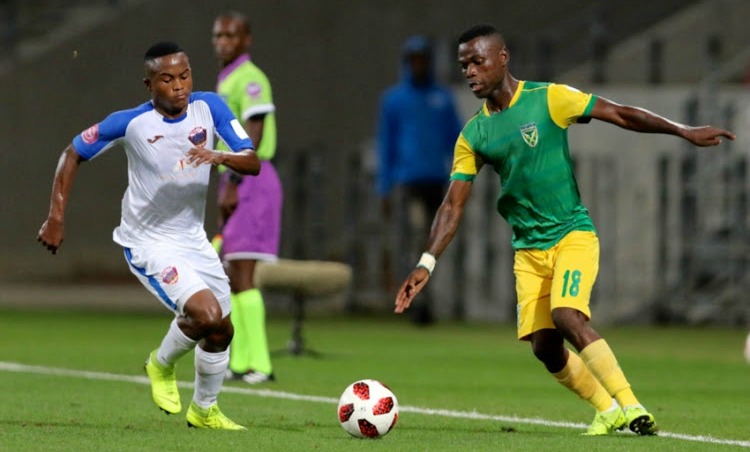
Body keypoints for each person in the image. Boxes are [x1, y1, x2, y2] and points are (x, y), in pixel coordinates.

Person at [394, 24, 736, 436]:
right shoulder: (474, 134)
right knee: (544, 346)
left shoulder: (550, 98)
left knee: (566, 314)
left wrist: (682, 131)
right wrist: (425, 263)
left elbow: (620, 112)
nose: (469, 72)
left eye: (477, 61)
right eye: (464, 64)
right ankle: (606, 409)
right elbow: (452, 205)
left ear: (502, 58)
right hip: (528, 250)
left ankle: (632, 407)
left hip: (572, 234)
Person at [37, 41, 261, 430]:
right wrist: (55, 216)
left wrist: (219, 155)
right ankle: (160, 364)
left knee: (222, 330)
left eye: (185, 75)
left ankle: (204, 410)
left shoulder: (211, 108)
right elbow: (72, 153)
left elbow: (252, 160)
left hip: (192, 239)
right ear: (149, 84)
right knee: (205, 314)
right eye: (167, 79)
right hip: (148, 242)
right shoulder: (130, 123)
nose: (179, 86)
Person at [210, 11, 281, 385]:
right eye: (219, 35)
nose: (223, 41)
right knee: (232, 274)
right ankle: (240, 361)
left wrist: (235, 180)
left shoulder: (251, 79)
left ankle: (261, 364)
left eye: (231, 35)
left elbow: (255, 127)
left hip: (252, 180)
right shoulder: (228, 78)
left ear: (246, 40)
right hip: (236, 180)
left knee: (244, 273)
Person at [376, 35, 463, 325]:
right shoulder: (395, 100)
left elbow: (459, 139)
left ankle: (429, 300)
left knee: (433, 242)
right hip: (407, 181)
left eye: (422, 60)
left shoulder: (442, 98)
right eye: (413, 60)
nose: (418, 66)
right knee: (411, 240)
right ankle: (413, 301)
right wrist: (384, 186)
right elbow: (386, 144)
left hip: (437, 180)